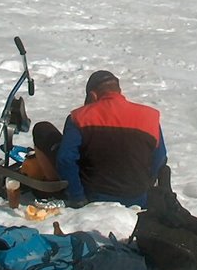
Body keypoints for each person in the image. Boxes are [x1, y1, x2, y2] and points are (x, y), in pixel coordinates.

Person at [42, 70, 168, 208]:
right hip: (137, 198)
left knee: (43, 130)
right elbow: (160, 158)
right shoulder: (149, 116)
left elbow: (65, 158)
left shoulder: (79, 117)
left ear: (92, 95)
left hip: (94, 196)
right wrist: (143, 187)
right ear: (119, 91)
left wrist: (77, 196)